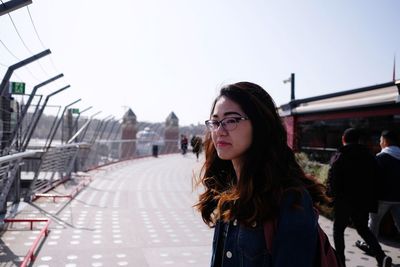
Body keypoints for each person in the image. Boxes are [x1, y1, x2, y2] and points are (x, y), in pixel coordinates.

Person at [194, 82, 331, 267]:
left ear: (260, 125)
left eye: (231, 120)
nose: (219, 131)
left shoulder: (290, 200)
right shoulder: (227, 190)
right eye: (215, 121)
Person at [327, 128, 392, 267]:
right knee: (363, 228)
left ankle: (341, 262)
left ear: (343, 139)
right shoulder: (370, 156)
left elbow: (333, 178)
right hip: (363, 201)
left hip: (343, 201)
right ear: (358, 140)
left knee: (338, 230)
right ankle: (381, 256)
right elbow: (377, 178)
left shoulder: (340, 155)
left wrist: (331, 195)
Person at [356, 130, 400, 254]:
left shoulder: (381, 157)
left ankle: (370, 246)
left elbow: (372, 178)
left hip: (382, 197)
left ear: (385, 141)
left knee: (374, 222)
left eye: (380, 140)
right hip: (399, 198)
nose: (380, 143)